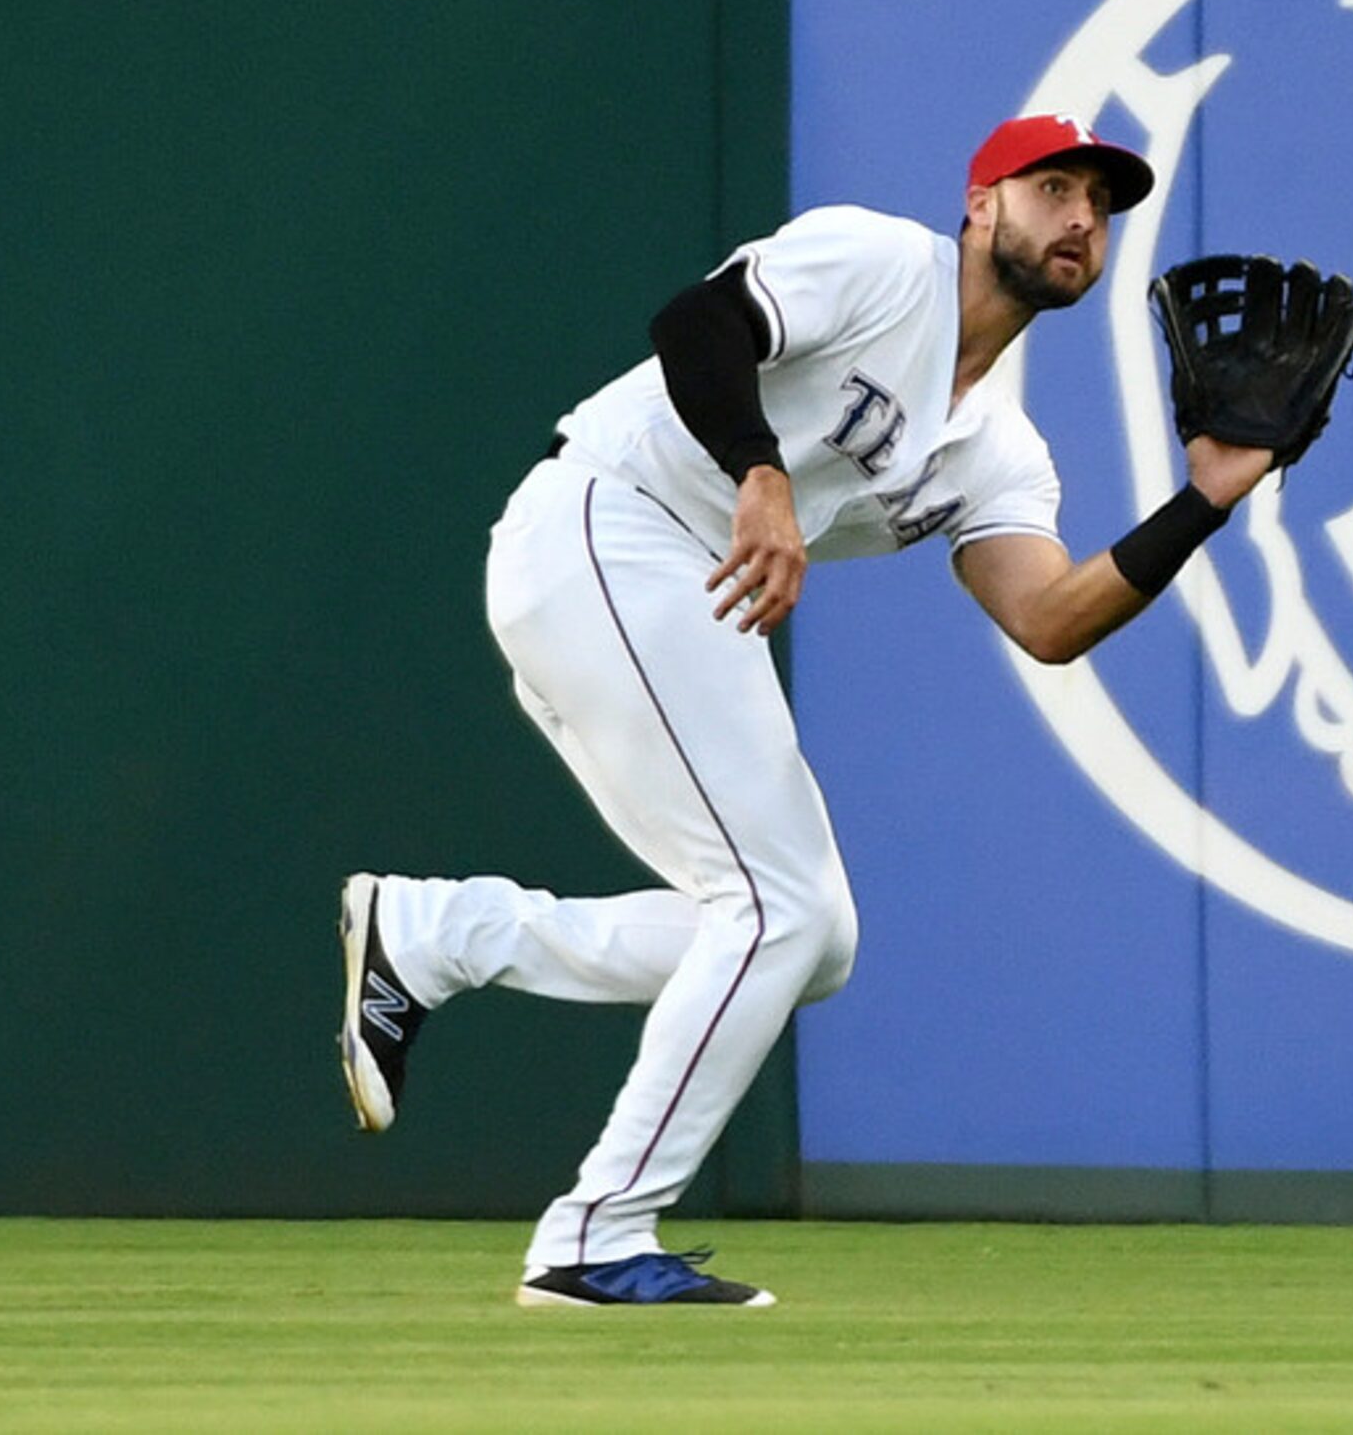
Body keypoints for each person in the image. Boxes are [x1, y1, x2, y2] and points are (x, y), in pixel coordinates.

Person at [338, 114, 1274, 1307]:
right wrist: (760, 472)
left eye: (1101, 201)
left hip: (673, 583)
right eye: (1053, 186)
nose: (1081, 217)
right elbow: (696, 321)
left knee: (809, 944)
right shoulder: (886, 265)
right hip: (607, 522)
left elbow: (1049, 619)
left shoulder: (998, 449)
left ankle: (444, 935)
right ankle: (595, 1233)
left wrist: (1202, 502)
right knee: (771, 910)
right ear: (981, 201)